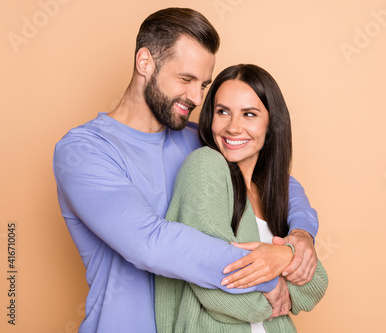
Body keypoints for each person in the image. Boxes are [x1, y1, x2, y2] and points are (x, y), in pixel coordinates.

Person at [52, 8, 319, 333]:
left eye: (204, 84)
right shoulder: (84, 151)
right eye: (186, 79)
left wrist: (299, 238)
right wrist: (265, 274)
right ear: (145, 62)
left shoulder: (196, 140)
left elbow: (276, 181)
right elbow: (151, 243)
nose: (196, 97)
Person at [155, 64, 328, 332]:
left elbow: (315, 284)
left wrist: (284, 255)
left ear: (271, 123)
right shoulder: (204, 166)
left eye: (249, 114)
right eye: (223, 112)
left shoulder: (275, 190)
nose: (233, 127)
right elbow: (215, 286)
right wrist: (278, 295)